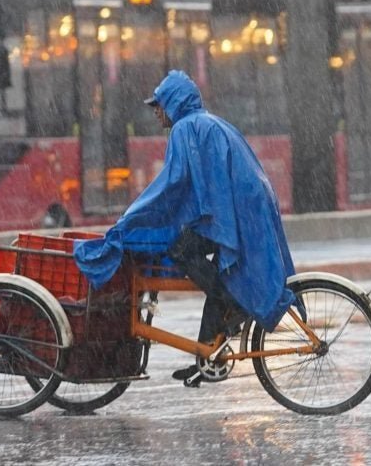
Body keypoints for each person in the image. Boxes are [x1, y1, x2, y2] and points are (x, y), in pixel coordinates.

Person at [73, 70, 297, 387]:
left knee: (182, 250)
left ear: (173, 103)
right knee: (211, 270)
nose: (156, 111)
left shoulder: (185, 128)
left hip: (236, 208)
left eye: (158, 105)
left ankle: (228, 301)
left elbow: (173, 183)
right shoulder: (208, 122)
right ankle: (207, 352)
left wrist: (133, 216)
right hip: (246, 203)